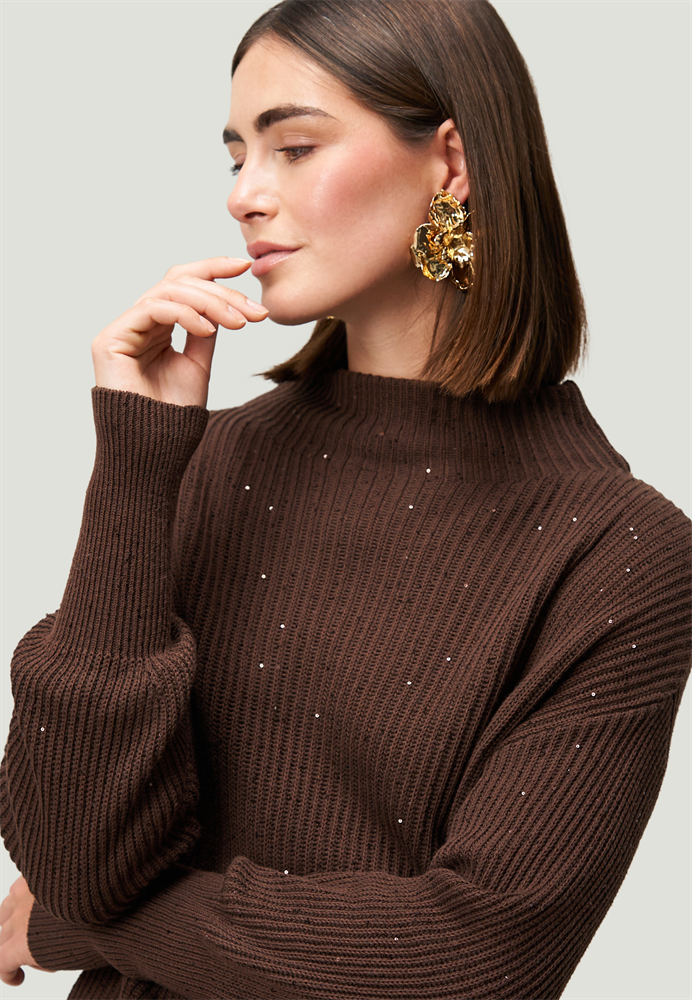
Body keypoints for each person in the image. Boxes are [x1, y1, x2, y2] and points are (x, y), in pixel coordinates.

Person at [1, 0, 690, 997]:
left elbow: (474, 961)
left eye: (293, 147)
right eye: (235, 156)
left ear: (450, 164)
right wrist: (135, 465)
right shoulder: (208, 457)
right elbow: (74, 855)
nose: (244, 194)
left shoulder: (617, 552)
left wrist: (84, 924)